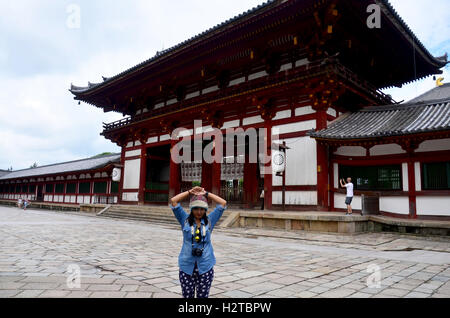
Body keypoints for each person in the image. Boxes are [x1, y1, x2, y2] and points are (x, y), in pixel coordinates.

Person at [169, 186, 227, 298]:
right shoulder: (184, 219)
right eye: (196, 208)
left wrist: (206, 194)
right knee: (187, 296)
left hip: (205, 265)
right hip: (186, 265)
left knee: (203, 296)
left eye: (202, 209)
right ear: (191, 209)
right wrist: (189, 192)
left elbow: (223, 203)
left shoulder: (210, 220)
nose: (199, 212)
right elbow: (173, 201)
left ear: (205, 210)